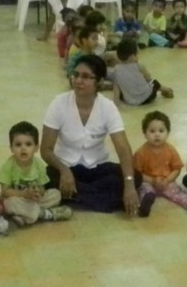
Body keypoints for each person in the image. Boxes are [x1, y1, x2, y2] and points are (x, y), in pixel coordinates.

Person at [40, 55, 141, 215]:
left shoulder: (108, 108)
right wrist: (64, 171)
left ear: (99, 82)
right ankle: (108, 201)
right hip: (64, 166)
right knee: (47, 178)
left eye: (86, 77)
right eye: (76, 75)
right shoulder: (58, 104)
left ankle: (73, 197)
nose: (78, 80)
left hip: (97, 167)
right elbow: (45, 150)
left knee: (135, 177)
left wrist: (129, 185)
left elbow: (123, 149)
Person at [0, 121, 72, 227]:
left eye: (28, 144)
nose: (23, 148)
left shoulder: (39, 164)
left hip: (34, 201)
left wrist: (37, 192)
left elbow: (42, 188)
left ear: (36, 148)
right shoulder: (8, 166)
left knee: (55, 194)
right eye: (18, 145)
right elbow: (5, 191)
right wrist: (24, 194)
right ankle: (46, 214)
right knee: (8, 203)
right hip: (18, 199)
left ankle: (24, 216)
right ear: (11, 148)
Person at [133, 111, 187, 217]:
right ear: (145, 134)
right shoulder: (140, 153)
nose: (157, 135)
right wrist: (152, 180)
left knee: (177, 193)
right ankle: (144, 205)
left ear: (168, 132)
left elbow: (176, 169)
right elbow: (137, 174)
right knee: (144, 190)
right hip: (148, 181)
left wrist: (167, 180)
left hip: (166, 181)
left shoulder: (171, 150)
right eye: (152, 131)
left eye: (161, 131)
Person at [111, 39, 174, 106]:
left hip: (130, 100)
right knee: (154, 82)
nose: (138, 57)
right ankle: (165, 90)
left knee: (121, 86)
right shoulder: (139, 66)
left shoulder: (116, 69)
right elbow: (149, 79)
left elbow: (116, 86)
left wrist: (116, 99)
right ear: (131, 57)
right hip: (147, 98)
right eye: (137, 54)